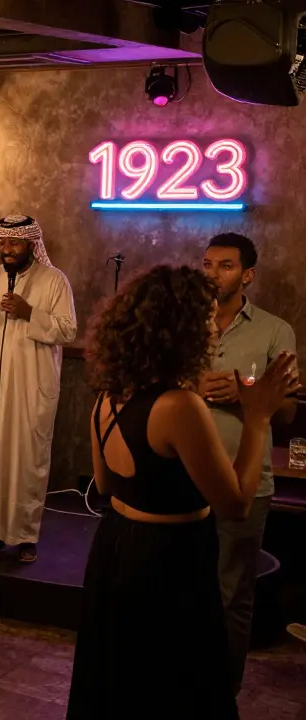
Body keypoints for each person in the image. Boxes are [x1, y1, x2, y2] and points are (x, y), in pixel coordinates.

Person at [68, 264, 299, 719]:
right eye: (206, 320)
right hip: (168, 560)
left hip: (116, 549)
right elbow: (234, 504)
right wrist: (257, 418)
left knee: (120, 683)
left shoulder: (108, 397)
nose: (213, 330)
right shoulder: (179, 407)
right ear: (180, 331)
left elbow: (110, 484)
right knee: (176, 688)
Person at [198, 233, 298, 693]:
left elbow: (288, 412)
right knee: (179, 593)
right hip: (185, 480)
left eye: (225, 266)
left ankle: (222, 695)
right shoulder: (185, 324)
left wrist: (248, 395)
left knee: (230, 596)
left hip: (244, 482)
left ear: (248, 275)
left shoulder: (275, 330)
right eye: (207, 264)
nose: (212, 274)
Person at [0, 214, 76, 563]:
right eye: (2, 243)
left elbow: (67, 330)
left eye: (14, 243)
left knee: (26, 462)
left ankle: (25, 537)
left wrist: (28, 312)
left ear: (31, 244)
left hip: (30, 391)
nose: (6, 250)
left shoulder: (54, 281)